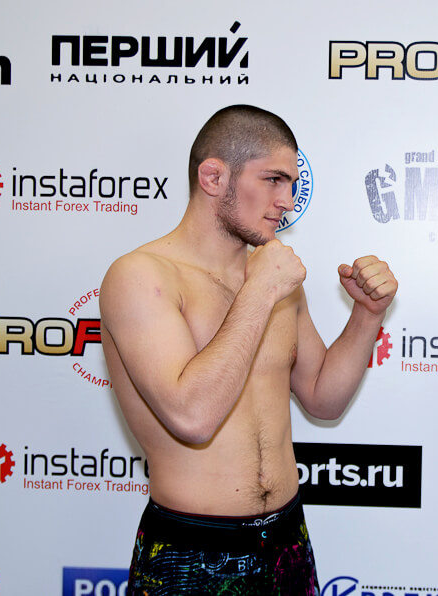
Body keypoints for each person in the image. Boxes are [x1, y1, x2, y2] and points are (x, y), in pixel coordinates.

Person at [100, 104, 398, 595]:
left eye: (292, 184)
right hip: (191, 550)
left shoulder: (273, 276)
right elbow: (192, 416)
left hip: (287, 539)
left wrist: (367, 315)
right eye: (274, 180)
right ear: (213, 177)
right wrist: (259, 291)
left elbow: (324, 399)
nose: (288, 201)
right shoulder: (141, 276)